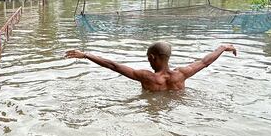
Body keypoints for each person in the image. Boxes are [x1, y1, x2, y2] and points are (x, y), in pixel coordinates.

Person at [65, 41, 237, 91]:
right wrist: (222, 47)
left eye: (148, 59)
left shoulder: (147, 77)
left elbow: (113, 66)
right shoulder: (182, 74)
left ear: (152, 57)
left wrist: (86, 55)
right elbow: (205, 62)